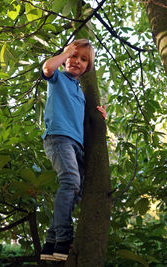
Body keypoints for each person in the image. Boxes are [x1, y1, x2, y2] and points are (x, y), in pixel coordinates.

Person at [39, 39, 106, 261]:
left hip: (77, 144)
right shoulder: (58, 78)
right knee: (69, 181)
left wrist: (100, 116)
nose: (77, 61)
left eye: (83, 59)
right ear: (66, 58)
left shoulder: (80, 92)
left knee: (75, 190)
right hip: (58, 138)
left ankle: (50, 244)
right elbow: (48, 68)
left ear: (88, 67)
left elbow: (86, 120)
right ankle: (64, 240)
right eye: (73, 56)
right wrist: (65, 52)